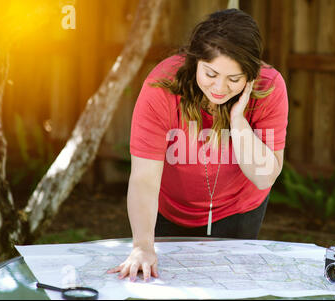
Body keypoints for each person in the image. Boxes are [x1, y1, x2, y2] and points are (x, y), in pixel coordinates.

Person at [107, 8, 288, 282]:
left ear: (251, 76)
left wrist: (237, 119)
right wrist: (142, 247)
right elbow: (143, 178)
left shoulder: (270, 88)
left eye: (234, 79)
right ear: (195, 62)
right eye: (211, 73)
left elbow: (264, 177)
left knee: (230, 287)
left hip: (239, 207)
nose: (220, 87)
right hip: (171, 208)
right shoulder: (162, 87)